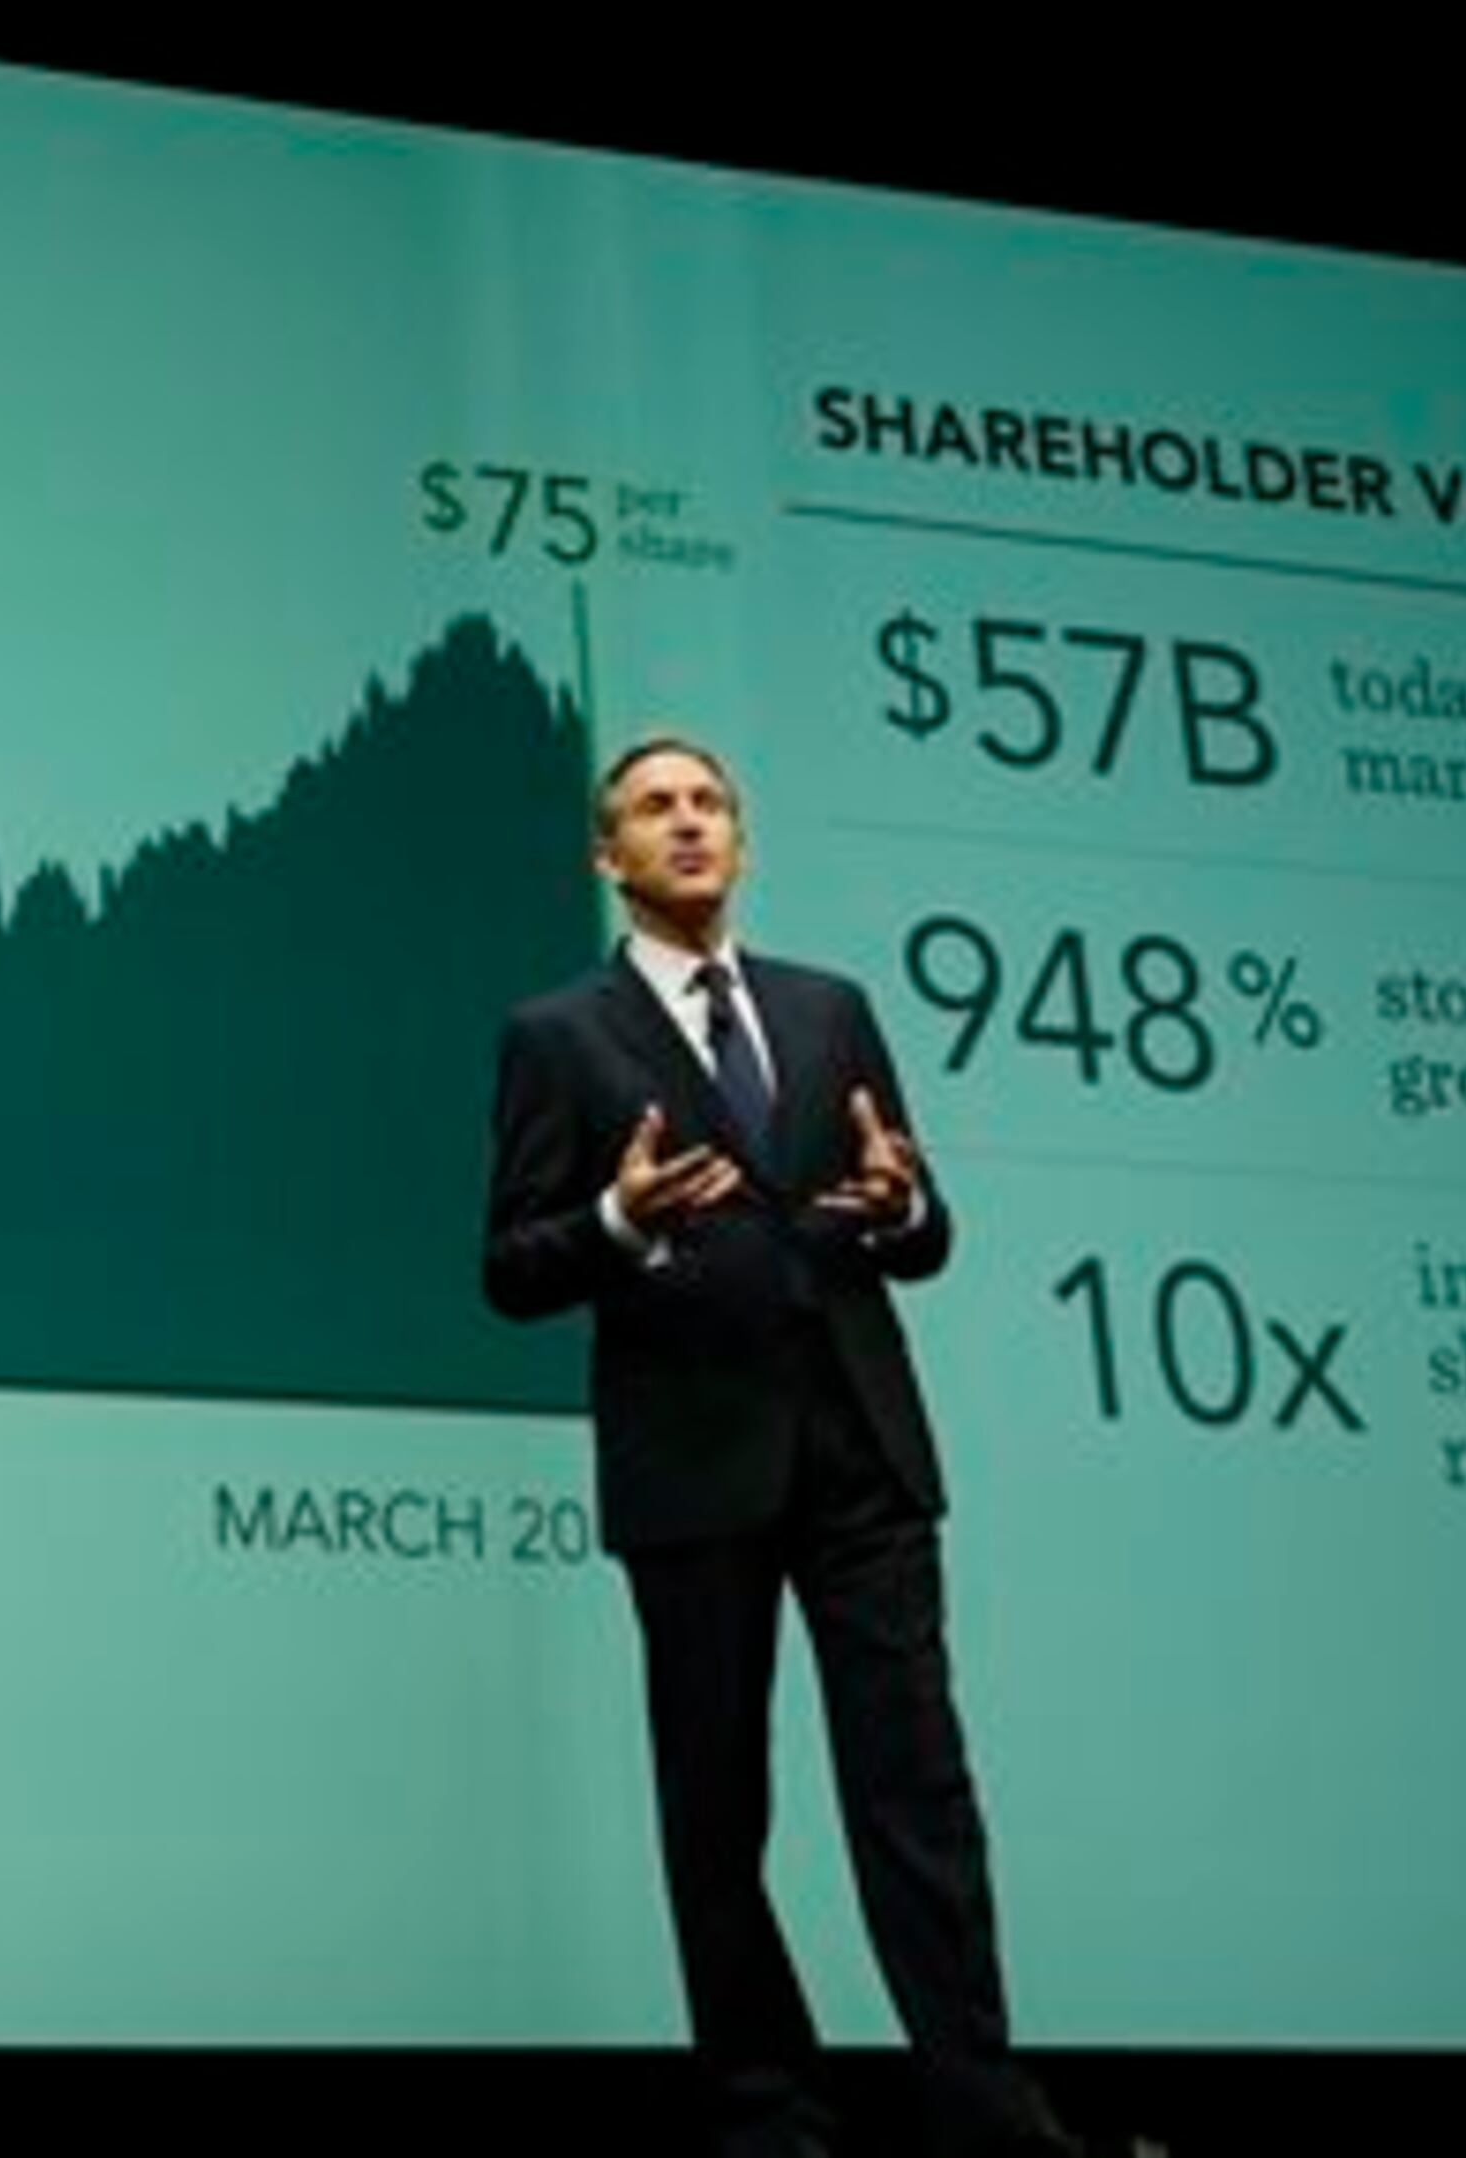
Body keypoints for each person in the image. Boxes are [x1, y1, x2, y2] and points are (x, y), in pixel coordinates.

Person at [484, 735, 1074, 2158]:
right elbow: (510, 1266)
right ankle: (766, 2112)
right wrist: (621, 1223)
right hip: (694, 1463)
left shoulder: (831, 1010)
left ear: (740, 840)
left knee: (919, 1789)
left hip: (862, 1447)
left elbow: (916, 1224)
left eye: (709, 804)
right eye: (652, 810)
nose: (687, 825)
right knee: (717, 1801)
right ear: (607, 859)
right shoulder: (559, 1034)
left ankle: (985, 2110)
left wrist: (906, 1209)